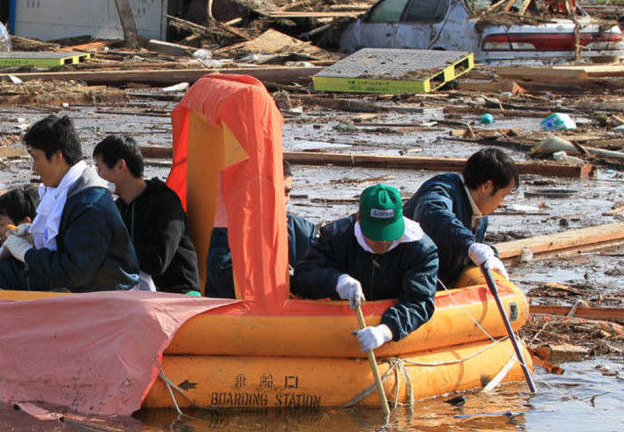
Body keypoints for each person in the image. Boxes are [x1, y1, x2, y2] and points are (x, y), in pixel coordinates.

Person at [0, 115, 139, 293]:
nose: (34, 167)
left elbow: (75, 272)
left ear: (57, 157)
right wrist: (31, 237)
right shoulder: (65, 194)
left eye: (36, 158)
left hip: (107, 297)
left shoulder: (90, 206)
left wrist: (28, 253)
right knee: (1, 260)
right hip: (84, 287)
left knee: (9, 273)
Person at [291, 184, 439, 353]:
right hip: (338, 330)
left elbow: (419, 301)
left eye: (388, 234)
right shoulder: (336, 236)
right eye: (375, 235)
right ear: (359, 219)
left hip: (386, 327)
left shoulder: (419, 249)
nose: (382, 242)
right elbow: (302, 277)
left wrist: (386, 330)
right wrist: (337, 282)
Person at [91, 134, 200, 294]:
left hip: (178, 293)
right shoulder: (118, 207)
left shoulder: (164, 203)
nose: (98, 176)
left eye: (100, 168)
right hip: (138, 293)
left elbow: (158, 262)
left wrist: (114, 243)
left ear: (121, 166)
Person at [405, 148, 519, 289]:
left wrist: (490, 254)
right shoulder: (442, 189)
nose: (502, 203)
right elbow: (434, 214)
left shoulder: (480, 217)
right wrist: (470, 245)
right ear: (487, 186)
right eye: (503, 195)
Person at [204, 161, 317, 299]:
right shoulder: (229, 228)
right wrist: (281, 279)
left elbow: (320, 269)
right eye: (276, 191)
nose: (284, 199)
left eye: (287, 191)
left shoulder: (304, 230)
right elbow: (223, 277)